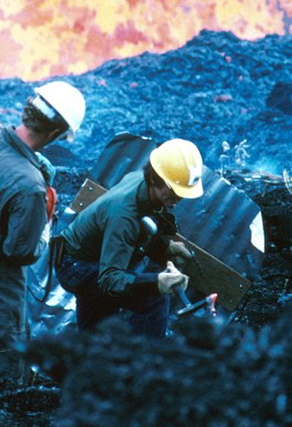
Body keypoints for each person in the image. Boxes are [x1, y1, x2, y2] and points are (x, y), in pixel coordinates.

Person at [0, 80, 86, 395]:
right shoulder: (29, 187)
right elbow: (20, 251)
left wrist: (33, 162)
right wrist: (44, 225)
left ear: (29, 108)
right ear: (55, 134)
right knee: (1, 367)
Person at [53, 138, 204, 337]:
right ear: (156, 179)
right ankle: (147, 363)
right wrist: (157, 283)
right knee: (154, 297)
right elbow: (109, 280)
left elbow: (139, 229)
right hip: (76, 266)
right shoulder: (124, 214)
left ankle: (92, 358)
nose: (179, 198)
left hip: (91, 258)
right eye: (175, 190)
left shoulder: (141, 182)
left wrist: (165, 248)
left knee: (97, 335)